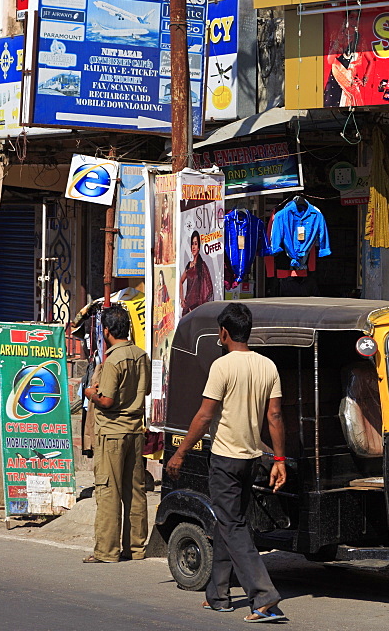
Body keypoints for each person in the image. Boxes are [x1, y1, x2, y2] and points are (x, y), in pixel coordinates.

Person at [166, 303, 287, 623]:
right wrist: (279, 459)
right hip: (251, 458)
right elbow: (274, 416)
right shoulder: (267, 366)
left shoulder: (222, 366)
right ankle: (218, 594)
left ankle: (264, 597)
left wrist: (180, 453)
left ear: (224, 333)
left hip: (224, 459)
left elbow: (205, 415)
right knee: (227, 521)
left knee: (232, 525)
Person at [82, 303, 152, 564]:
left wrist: (91, 393)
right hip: (135, 430)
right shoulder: (141, 355)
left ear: (107, 331)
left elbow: (107, 400)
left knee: (108, 490)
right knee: (135, 490)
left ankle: (107, 551)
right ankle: (135, 547)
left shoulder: (114, 360)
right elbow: (143, 391)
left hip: (112, 433)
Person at [179, 230, 214, 315]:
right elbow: (180, 281)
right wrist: (182, 299)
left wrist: (201, 303)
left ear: (199, 247)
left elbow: (210, 289)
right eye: (192, 244)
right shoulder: (189, 265)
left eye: (196, 244)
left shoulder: (202, 266)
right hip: (188, 306)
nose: (193, 247)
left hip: (198, 307)